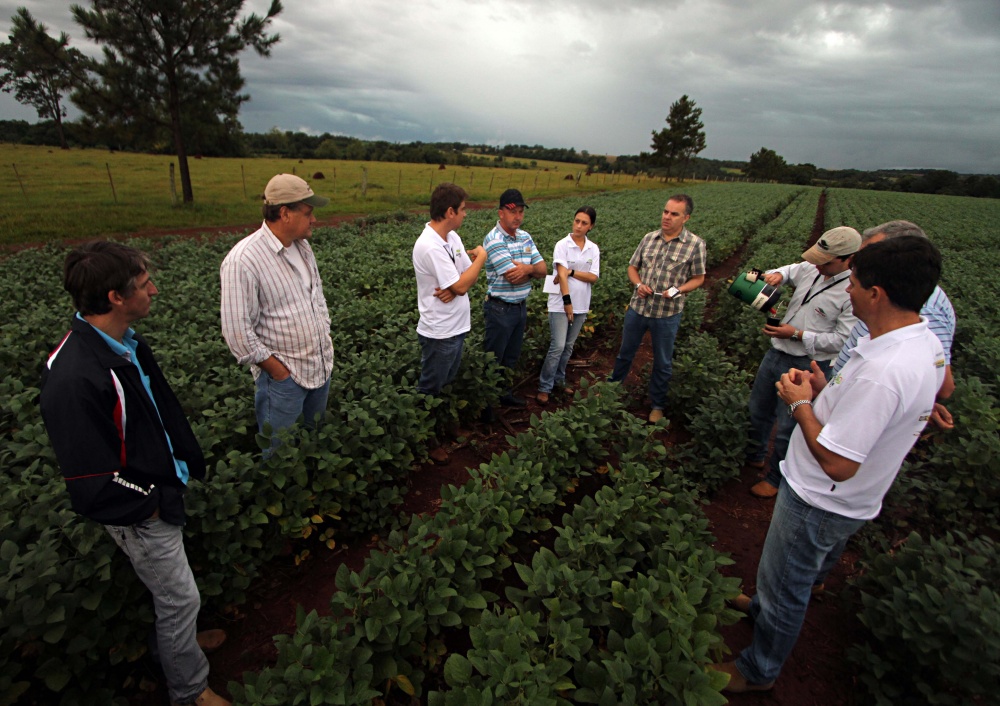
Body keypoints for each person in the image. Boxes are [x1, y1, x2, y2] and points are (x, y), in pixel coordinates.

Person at [712, 236, 946, 693]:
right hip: (840, 495)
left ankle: (757, 670)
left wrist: (800, 404)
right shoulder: (919, 343)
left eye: (855, 283)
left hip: (821, 496)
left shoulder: (888, 371)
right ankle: (759, 607)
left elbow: (839, 464)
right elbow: (876, 419)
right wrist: (823, 388)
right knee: (777, 576)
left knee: (788, 585)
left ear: (876, 293)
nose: (849, 290)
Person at [40, 242, 229, 706]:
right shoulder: (73, 378)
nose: (155, 291)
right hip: (139, 511)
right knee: (178, 598)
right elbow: (91, 483)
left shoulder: (124, 343)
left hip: (158, 485)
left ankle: (176, 646)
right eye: (145, 285)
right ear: (115, 298)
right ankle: (189, 689)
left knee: (175, 596)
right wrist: (151, 501)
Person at [747, 226, 861, 499]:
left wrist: (797, 334)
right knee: (758, 409)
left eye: (826, 261)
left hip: (807, 365)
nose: (818, 265)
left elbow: (841, 340)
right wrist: (778, 274)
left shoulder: (851, 292)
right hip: (776, 353)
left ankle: (775, 479)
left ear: (848, 260)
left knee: (788, 427)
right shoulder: (812, 269)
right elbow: (790, 270)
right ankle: (754, 455)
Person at [220, 174, 333, 446]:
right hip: (284, 380)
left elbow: (316, 298)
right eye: (308, 213)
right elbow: (237, 333)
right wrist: (279, 372)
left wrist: (324, 335)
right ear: (285, 213)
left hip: (320, 367)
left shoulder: (303, 247)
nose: (314, 220)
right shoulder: (243, 260)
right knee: (279, 451)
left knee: (311, 442)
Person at [830, 220, 956, 430]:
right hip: (850, 395)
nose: (861, 261)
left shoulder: (923, 308)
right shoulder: (890, 296)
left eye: (871, 253)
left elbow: (943, 386)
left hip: (862, 414)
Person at [608, 194, 706, 423]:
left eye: (674, 214)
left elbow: (699, 278)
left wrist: (680, 290)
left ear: (686, 218)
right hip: (638, 308)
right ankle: (612, 392)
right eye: (665, 212)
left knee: (662, 361)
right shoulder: (649, 238)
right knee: (625, 353)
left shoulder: (695, 245)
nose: (667, 217)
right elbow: (633, 268)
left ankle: (657, 405)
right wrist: (638, 284)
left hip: (667, 313)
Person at [412, 183, 487, 461]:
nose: (466, 214)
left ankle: (444, 427)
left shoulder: (451, 238)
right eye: (463, 209)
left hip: (457, 327)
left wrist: (457, 282)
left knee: (446, 384)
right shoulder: (429, 245)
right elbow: (463, 284)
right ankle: (427, 439)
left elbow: (465, 276)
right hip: (439, 332)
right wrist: (482, 256)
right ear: (450, 211)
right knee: (430, 388)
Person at [481, 188, 547, 412]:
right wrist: (532, 271)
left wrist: (527, 268)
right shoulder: (493, 239)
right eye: (512, 212)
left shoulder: (525, 237)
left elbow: (543, 269)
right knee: (493, 360)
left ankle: (504, 395)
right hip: (499, 310)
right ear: (501, 213)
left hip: (520, 308)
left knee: (510, 358)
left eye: (520, 212)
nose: (517, 216)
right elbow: (513, 278)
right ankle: (488, 406)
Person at [536, 206, 600, 405]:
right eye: (577, 221)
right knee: (558, 346)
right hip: (561, 304)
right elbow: (560, 275)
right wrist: (567, 302)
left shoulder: (593, 248)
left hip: (582, 304)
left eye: (584, 223)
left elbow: (593, 277)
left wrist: (572, 272)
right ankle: (544, 386)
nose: (579, 226)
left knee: (569, 346)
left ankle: (559, 381)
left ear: (591, 226)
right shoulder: (562, 245)